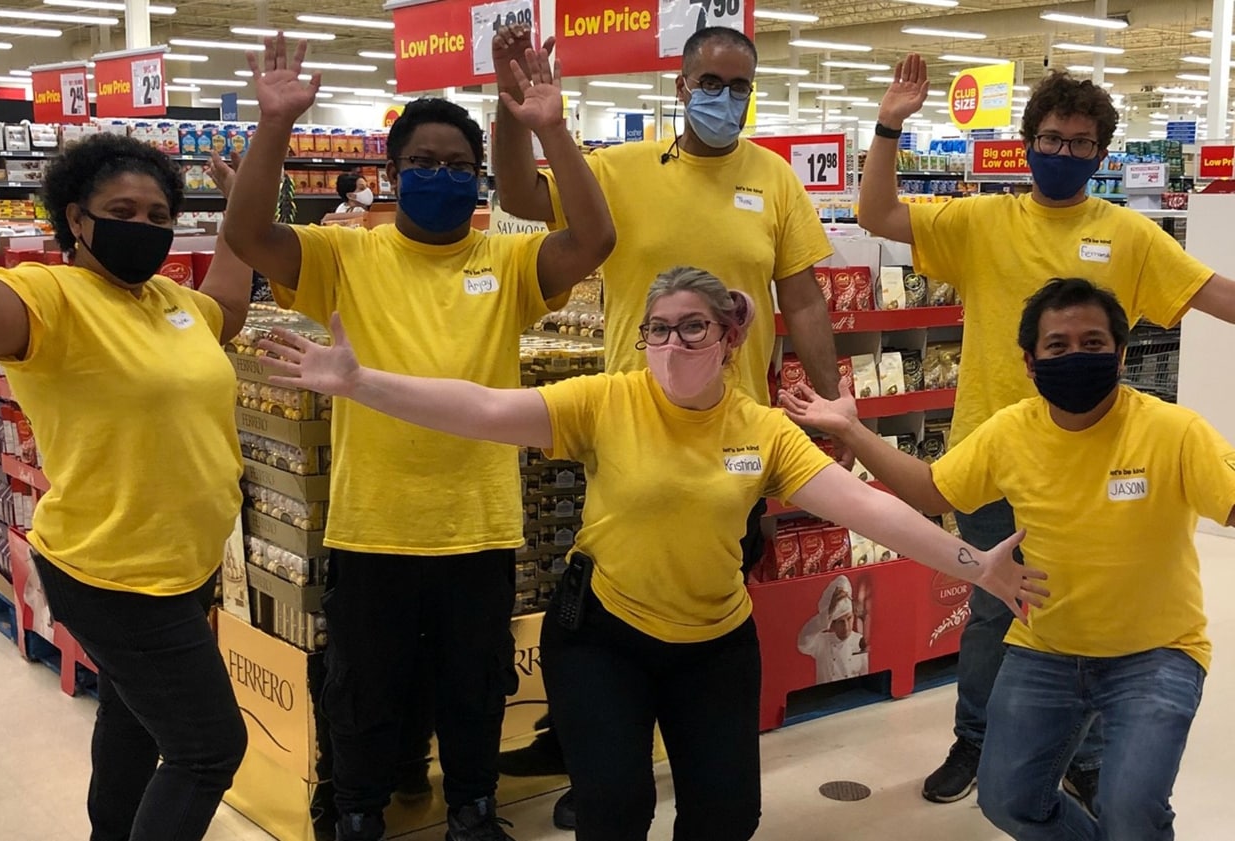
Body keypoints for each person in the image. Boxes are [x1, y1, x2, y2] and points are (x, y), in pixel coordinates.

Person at [256, 265, 1046, 841]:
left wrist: (978, 567)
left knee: (726, 814)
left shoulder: (761, 430)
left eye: (692, 327)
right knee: (614, 810)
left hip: (715, 645)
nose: (671, 343)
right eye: (658, 328)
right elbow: (484, 409)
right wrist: (363, 384)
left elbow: (868, 502)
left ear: (730, 337)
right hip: (604, 636)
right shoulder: (607, 399)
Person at [222, 35, 615, 841]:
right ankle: (358, 808)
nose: (441, 175)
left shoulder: (506, 263)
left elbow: (594, 240)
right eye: (423, 163)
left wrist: (551, 129)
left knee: (474, 680)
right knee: (364, 683)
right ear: (392, 176)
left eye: (457, 164)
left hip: (480, 520)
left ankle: (473, 806)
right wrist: (273, 128)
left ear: (478, 178)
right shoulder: (346, 255)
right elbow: (248, 234)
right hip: (374, 521)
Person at [492, 24, 846, 826]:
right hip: (627, 428)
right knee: (621, 580)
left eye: (741, 85)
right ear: (681, 88)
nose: (726, 99)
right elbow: (521, 197)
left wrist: (831, 410)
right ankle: (604, 765)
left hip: (738, 438)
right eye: (711, 83)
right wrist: (513, 109)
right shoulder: (621, 169)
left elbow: (804, 300)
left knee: (711, 588)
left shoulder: (777, 180)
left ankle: (691, 770)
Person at [858, 55, 1235, 806]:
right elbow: (877, 216)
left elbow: (1208, 291)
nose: (1066, 153)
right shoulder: (980, 219)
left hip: (1095, 455)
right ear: (1028, 142)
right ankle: (975, 737)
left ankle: (1085, 755)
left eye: (1082, 142)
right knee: (991, 608)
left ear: (1103, 153)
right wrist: (889, 124)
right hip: (991, 452)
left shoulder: (1127, 233)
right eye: (1053, 138)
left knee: (1084, 605)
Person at [781, 277, 1233, 840]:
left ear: (1120, 353)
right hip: (1045, 648)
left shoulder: (1175, 431)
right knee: (1008, 801)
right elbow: (930, 491)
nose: (1076, 356)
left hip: (1156, 652)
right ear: (1030, 361)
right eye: (1058, 346)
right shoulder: (1011, 431)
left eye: (1092, 344)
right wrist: (852, 427)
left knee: (1131, 809)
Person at [0, 135, 254, 841]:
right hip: (115, 573)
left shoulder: (172, 303)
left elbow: (229, 309)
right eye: (122, 209)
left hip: (180, 565)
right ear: (76, 219)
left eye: (158, 215)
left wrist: (244, 200)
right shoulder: (51, 295)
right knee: (209, 747)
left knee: (130, 714)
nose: (143, 226)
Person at [797, 574, 869, 683]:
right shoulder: (822, 642)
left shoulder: (860, 641)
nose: (846, 626)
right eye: (840, 621)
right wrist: (827, 613)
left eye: (849, 618)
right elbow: (803, 643)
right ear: (832, 624)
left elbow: (866, 675)